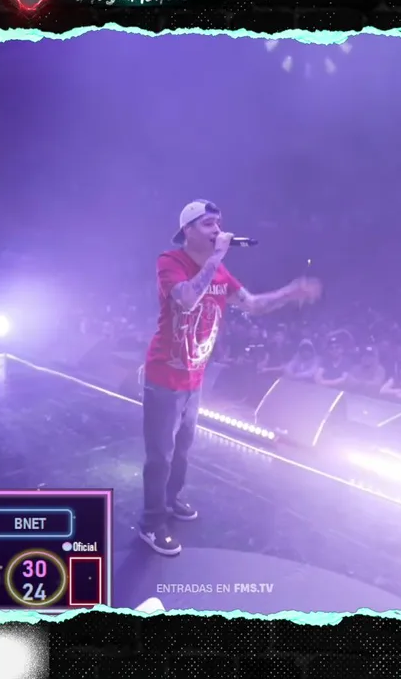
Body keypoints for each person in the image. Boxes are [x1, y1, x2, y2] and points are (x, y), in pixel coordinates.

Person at [139, 201, 322, 555]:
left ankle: (171, 500)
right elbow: (187, 300)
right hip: (165, 375)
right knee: (159, 455)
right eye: (209, 224)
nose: (218, 230)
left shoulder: (220, 271)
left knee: (182, 450)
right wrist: (216, 257)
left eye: (219, 223)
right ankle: (151, 522)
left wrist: (290, 292)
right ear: (188, 230)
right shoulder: (170, 262)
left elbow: (252, 304)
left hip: (194, 377)